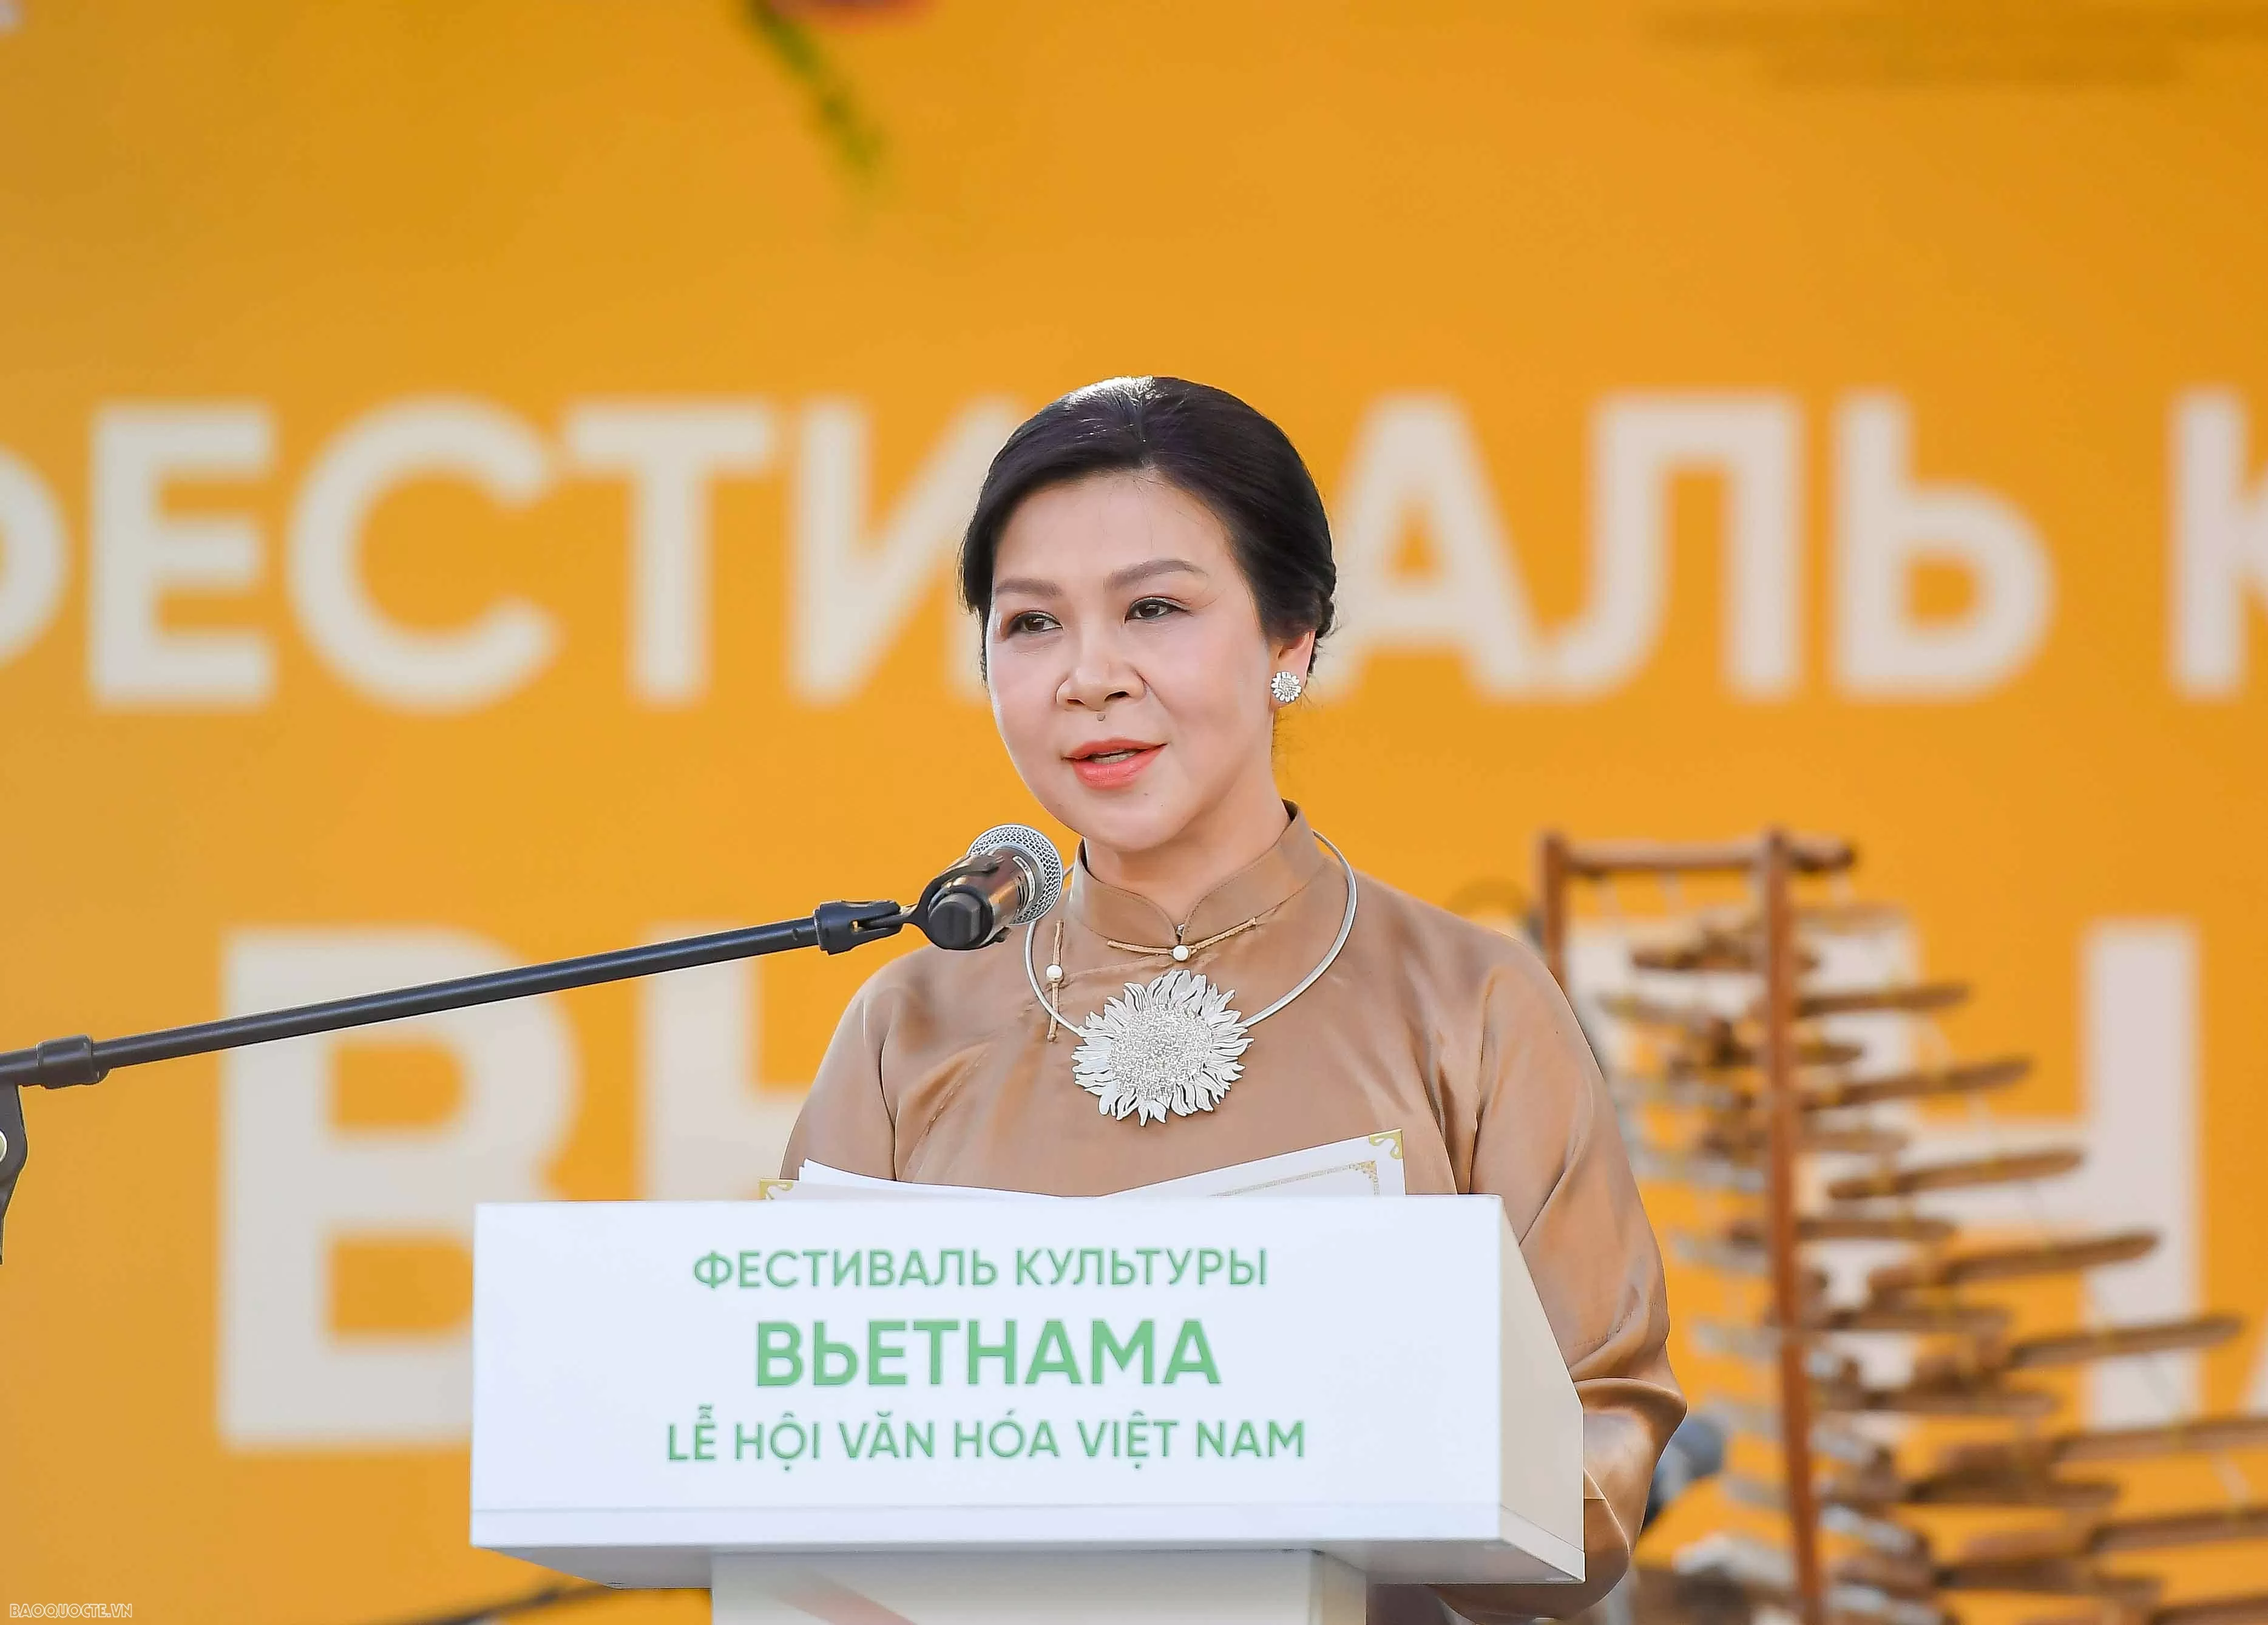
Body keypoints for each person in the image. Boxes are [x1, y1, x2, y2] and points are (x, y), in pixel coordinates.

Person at [782, 376, 1684, 1625]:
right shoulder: (908, 1023)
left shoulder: (1470, 1005)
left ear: (1289, 640)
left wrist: (1353, 1485)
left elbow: (1600, 1440)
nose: (1088, 677)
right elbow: (798, 1441)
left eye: (1153, 609)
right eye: (1030, 624)